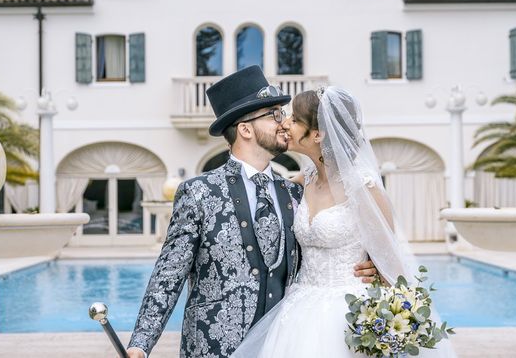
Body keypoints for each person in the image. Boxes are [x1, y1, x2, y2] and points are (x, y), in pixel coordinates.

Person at [126, 67, 377, 358]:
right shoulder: (198, 193)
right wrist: (140, 344)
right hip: (213, 348)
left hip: (283, 343)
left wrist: (371, 267)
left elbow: (329, 248)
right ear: (245, 129)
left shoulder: (297, 193)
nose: (283, 123)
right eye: (273, 114)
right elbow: (168, 274)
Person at [231, 86, 456, 357]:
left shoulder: (364, 188)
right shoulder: (304, 180)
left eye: (294, 119)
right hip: (299, 309)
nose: (285, 123)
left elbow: (392, 268)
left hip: (349, 312)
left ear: (317, 134)